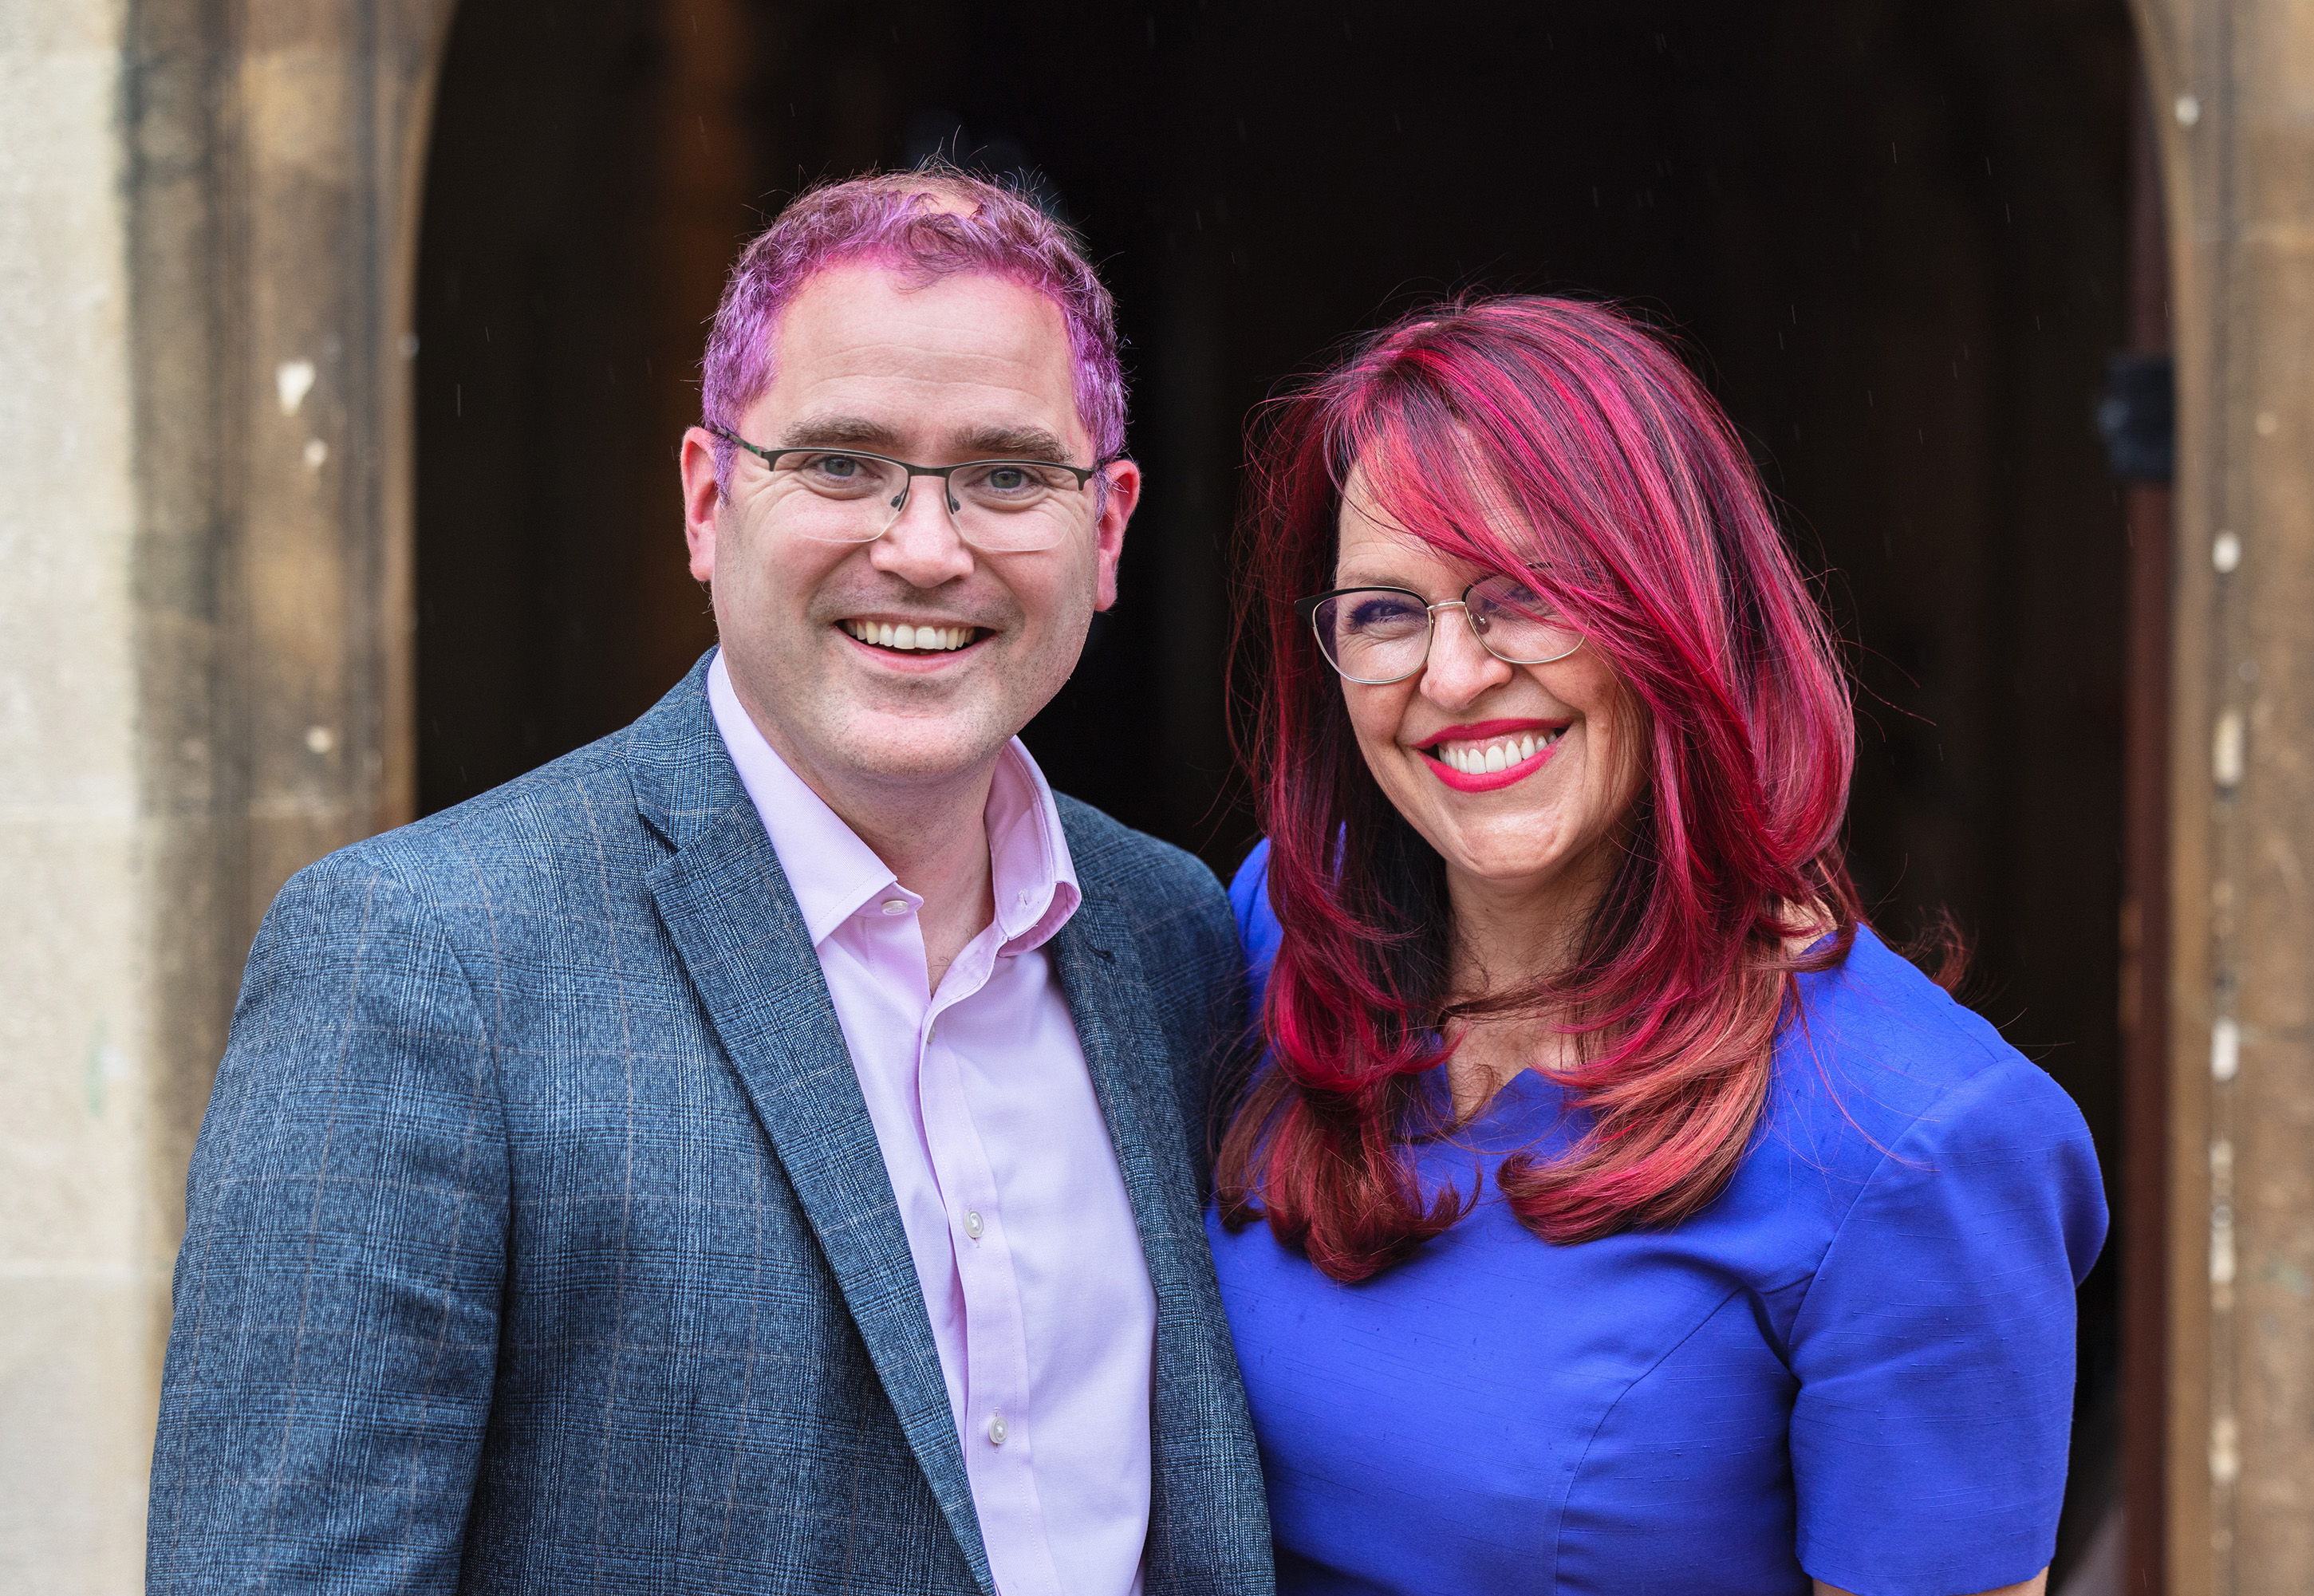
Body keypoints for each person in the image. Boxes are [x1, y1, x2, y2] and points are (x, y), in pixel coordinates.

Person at [147, 170, 1271, 1596]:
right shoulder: (419, 961)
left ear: (1106, 530)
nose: (923, 549)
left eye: (1004, 474)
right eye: (843, 463)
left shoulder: (1173, 938)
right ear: (705, 499)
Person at [1207, 296, 2106, 1596]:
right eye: (1386, 612)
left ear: (1682, 617)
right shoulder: (1285, 938)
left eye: (1527, 593)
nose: (1454, 675)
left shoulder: (1916, 1142)